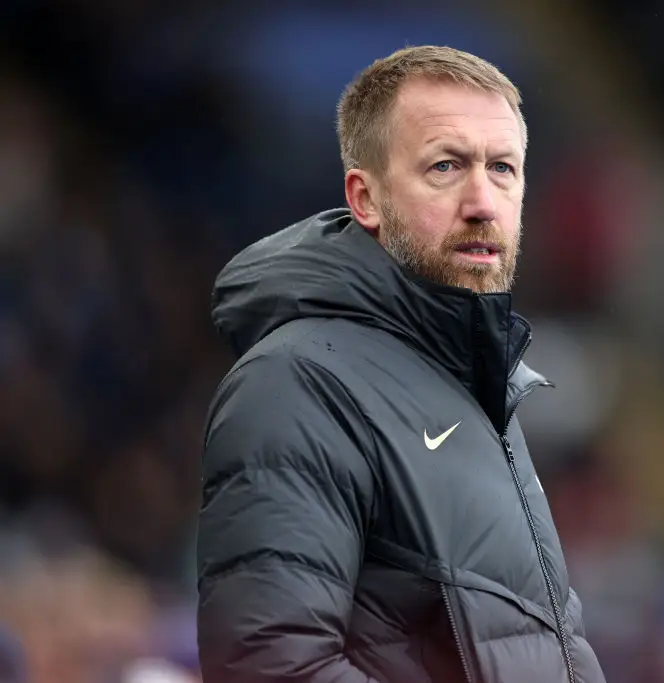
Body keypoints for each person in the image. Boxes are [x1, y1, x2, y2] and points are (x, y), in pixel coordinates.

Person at [195, 45, 607, 683]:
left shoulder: (479, 392)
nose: (482, 201)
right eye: (446, 166)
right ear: (366, 199)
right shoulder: (298, 383)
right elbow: (273, 666)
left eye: (503, 169)